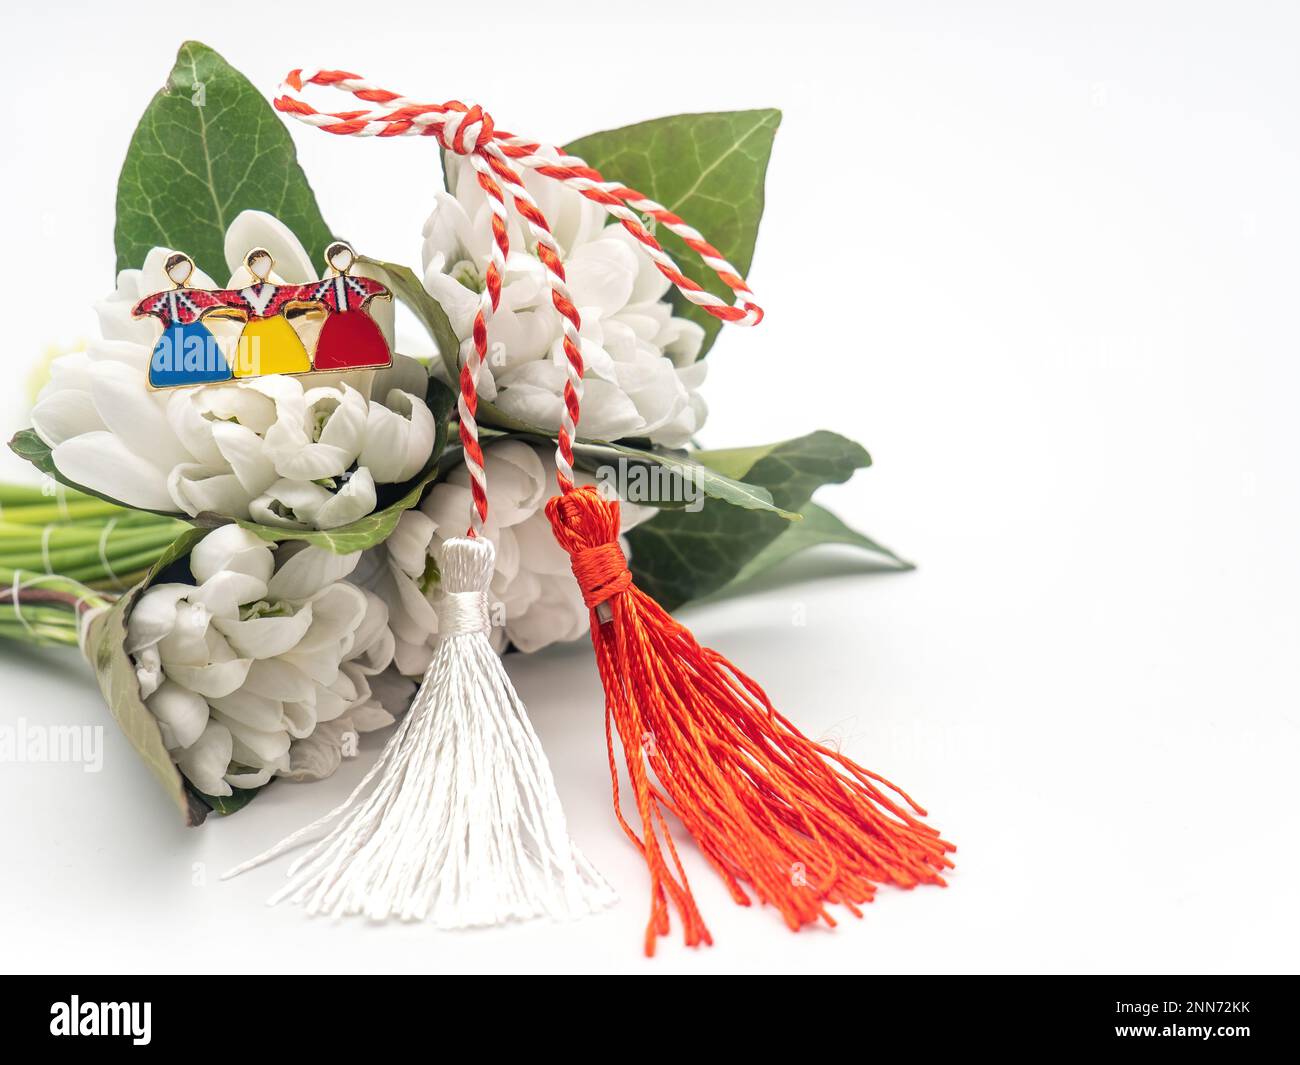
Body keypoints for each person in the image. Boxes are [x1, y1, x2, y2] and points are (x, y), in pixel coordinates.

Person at [131, 253, 233, 388]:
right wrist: (140, 311)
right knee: (171, 361)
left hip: (193, 331)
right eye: (175, 270)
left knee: (206, 359)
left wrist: (231, 312)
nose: (180, 273)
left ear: (190, 269)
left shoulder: (196, 294)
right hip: (176, 333)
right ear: (169, 273)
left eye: (183, 268)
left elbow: (218, 300)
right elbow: (142, 308)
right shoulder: (165, 297)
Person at [305, 242, 393, 371]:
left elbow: (372, 286)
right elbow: (310, 292)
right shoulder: (328, 285)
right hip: (337, 319)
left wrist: (384, 292)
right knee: (334, 344)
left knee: (362, 340)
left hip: (356, 316)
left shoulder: (355, 282)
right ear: (331, 262)